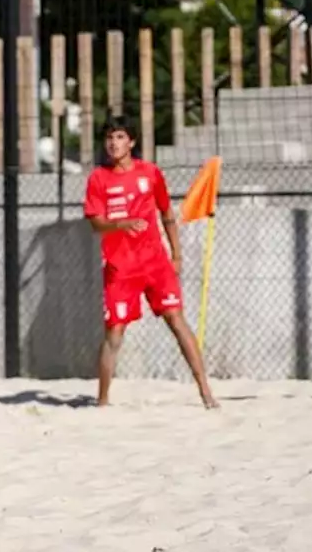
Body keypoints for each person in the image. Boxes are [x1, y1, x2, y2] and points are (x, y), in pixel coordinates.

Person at [83, 117, 220, 409]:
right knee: (115, 333)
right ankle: (103, 401)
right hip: (120, 268)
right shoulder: (98, 178)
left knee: (176, 320)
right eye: (109, 137)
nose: (113, 143)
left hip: (155, 264)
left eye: (119, 136)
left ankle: (206, 392)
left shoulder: (150, 173)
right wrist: (119, 224)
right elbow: (96, 223)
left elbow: (167, 214)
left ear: (131, 142)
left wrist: (177, 254)